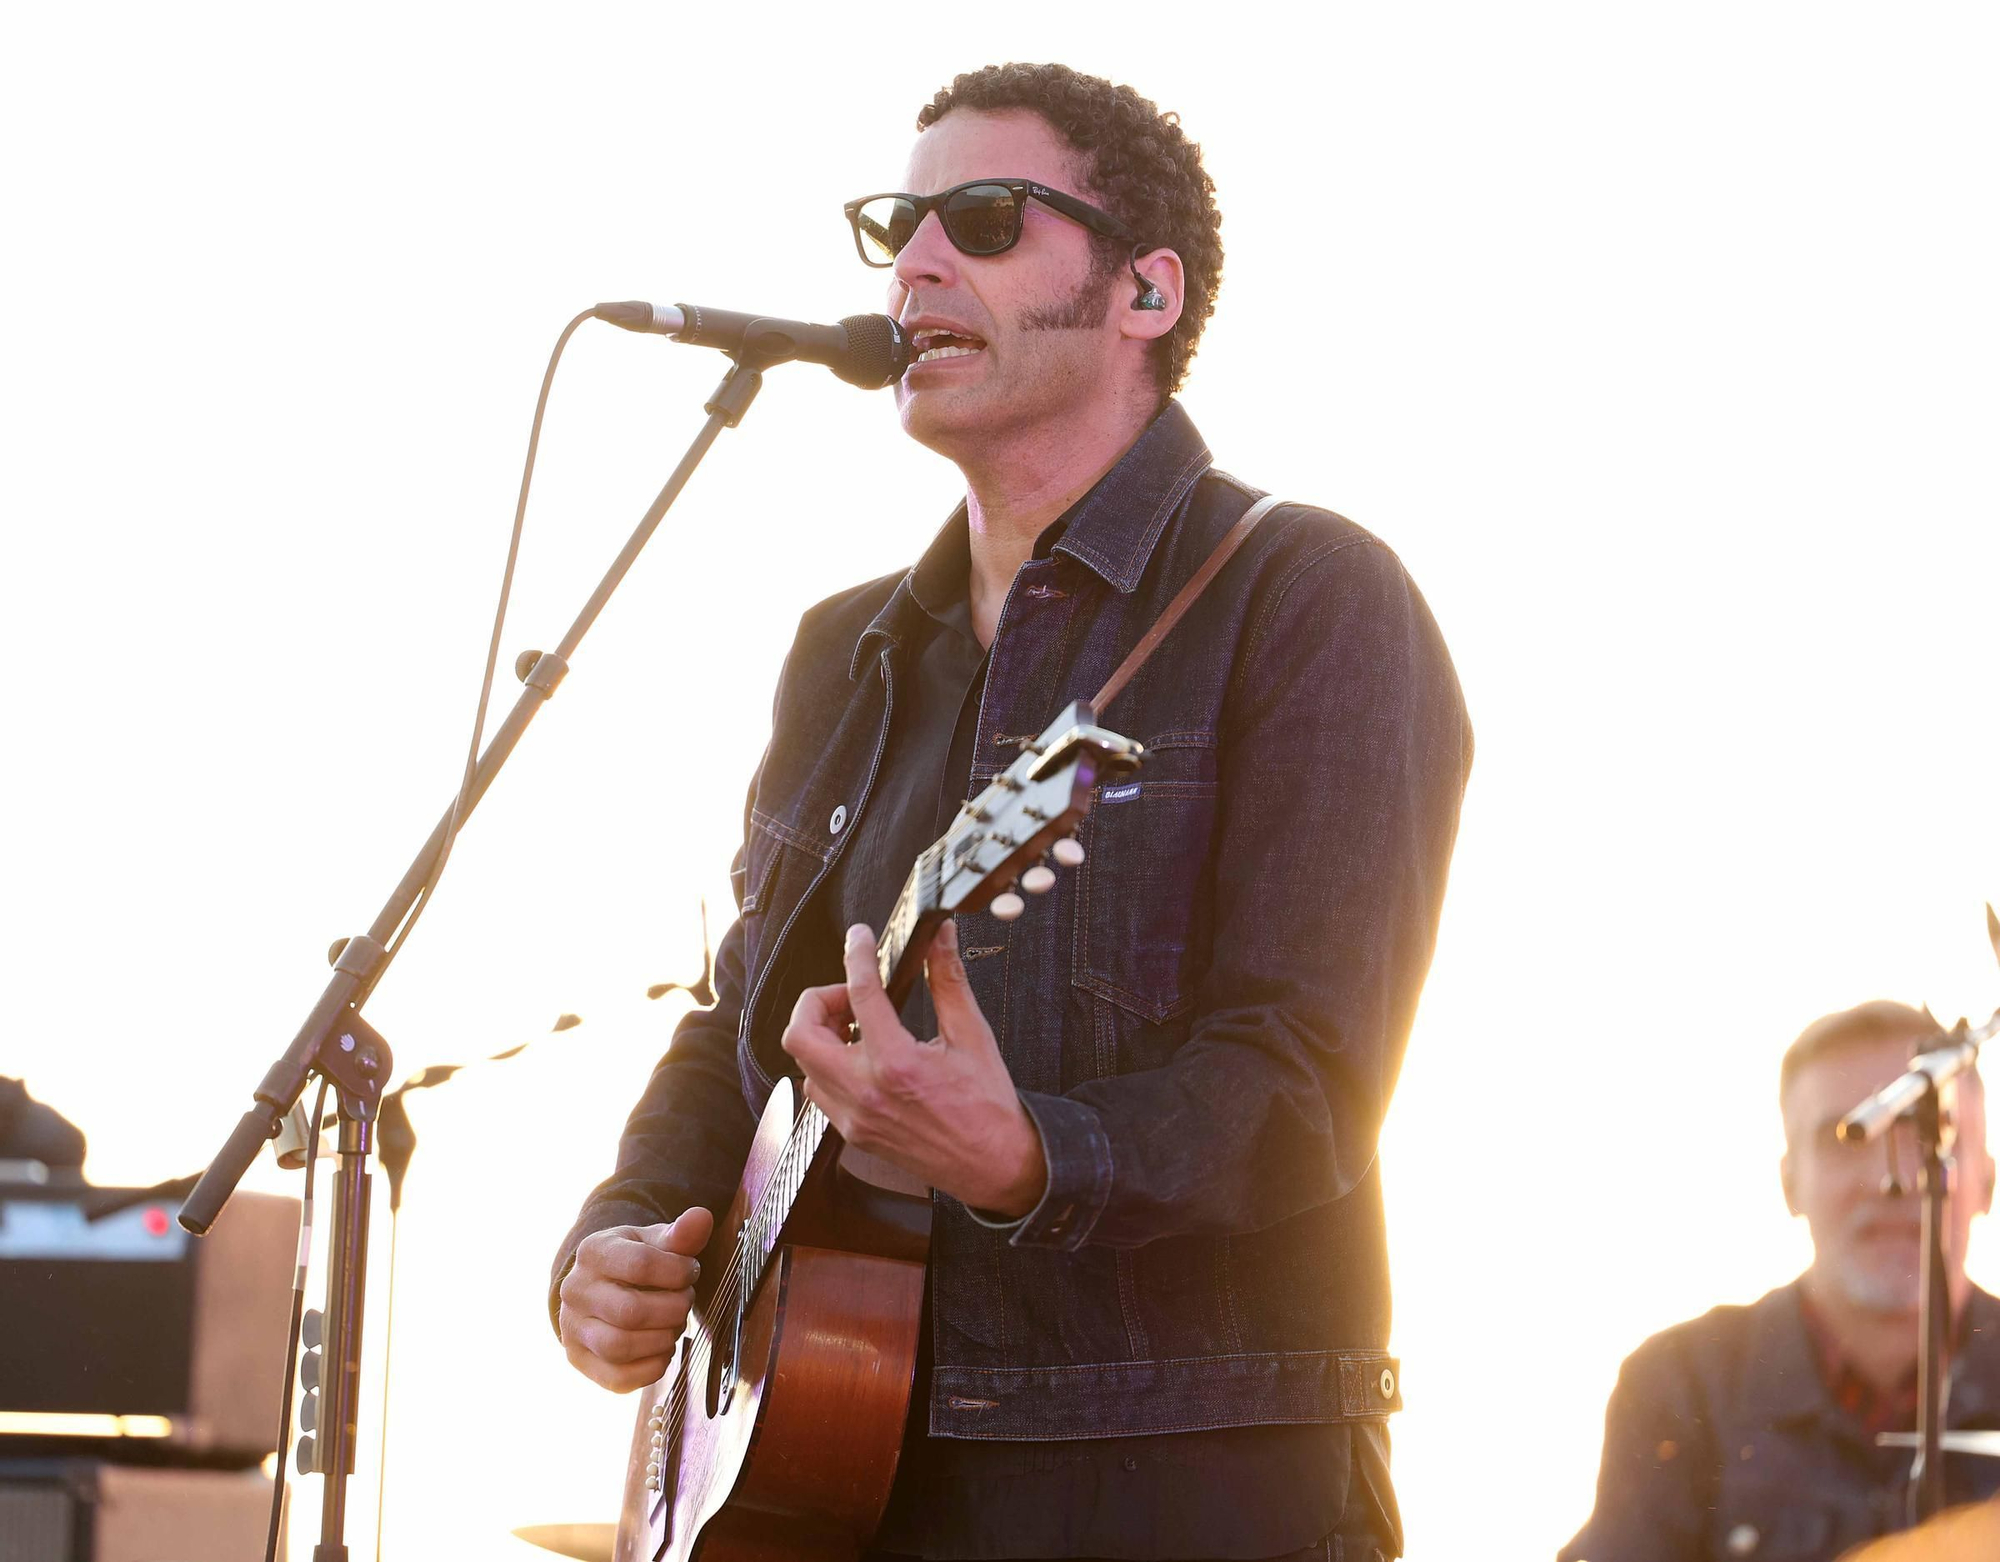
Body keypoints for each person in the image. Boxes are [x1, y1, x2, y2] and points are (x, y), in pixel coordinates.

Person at [552, 62, 1471, 1562]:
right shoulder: (843, 652)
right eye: (897, 223)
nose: (915, 262)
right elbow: (745, 1029)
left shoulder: (1302, 594)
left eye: (982, 218)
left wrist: (1032, 1154)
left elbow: (1308, 1085)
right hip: (835, 1478)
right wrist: (619, 1235)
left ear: (1146, 290)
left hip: (1174, 1481)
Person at [1561, 1001, 2000, 1561]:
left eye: (1927, 1132)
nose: (1888, 1181)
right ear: (1790, 1183)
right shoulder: (1682, 1385)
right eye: (1848, 1138)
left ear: (1986, 1179)